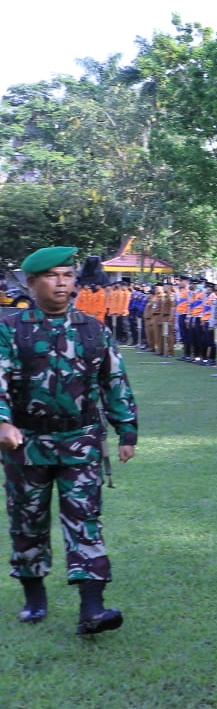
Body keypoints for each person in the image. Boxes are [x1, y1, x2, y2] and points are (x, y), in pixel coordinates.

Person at [0, 246, 137, 634]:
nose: (62, 283)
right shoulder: (11, 329)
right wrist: (3, 422)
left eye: (67, 275)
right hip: (26, 444)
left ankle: (92, 609)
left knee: (85, 520)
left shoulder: (92, 329)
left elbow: (114, 381)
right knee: (28, 522)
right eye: (52, 276)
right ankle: (33, 597)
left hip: (80, 440)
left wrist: (126, 429)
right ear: (31, 282)